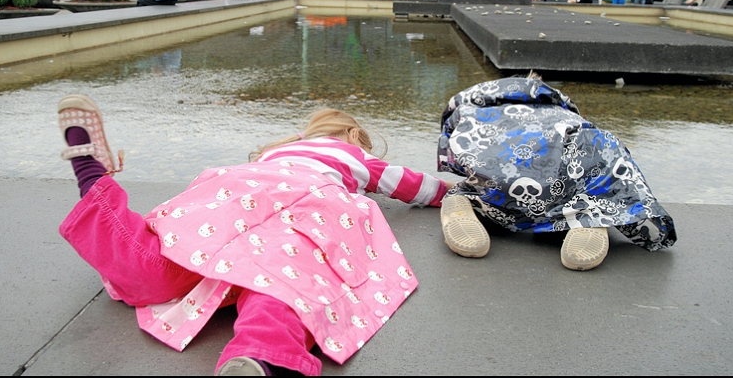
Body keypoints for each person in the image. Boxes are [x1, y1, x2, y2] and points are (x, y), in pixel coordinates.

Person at [56, 95, 450, 376]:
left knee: (158, 265)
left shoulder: (273, 153)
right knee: (286, 280)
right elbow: (410, 185)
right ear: (351, 135)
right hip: (308, 201)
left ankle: (90, 172)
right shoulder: (351, 155)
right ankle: (264, 357)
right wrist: (454, 193)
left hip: (239, 193)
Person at [436, 74, 677, 270]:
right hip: (566, 171)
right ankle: (590, 215)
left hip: (504, 174)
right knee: (594, 165)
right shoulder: (563, 111)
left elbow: (454, 149)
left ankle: (468, 199)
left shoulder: (473, 109)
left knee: (483, 182)